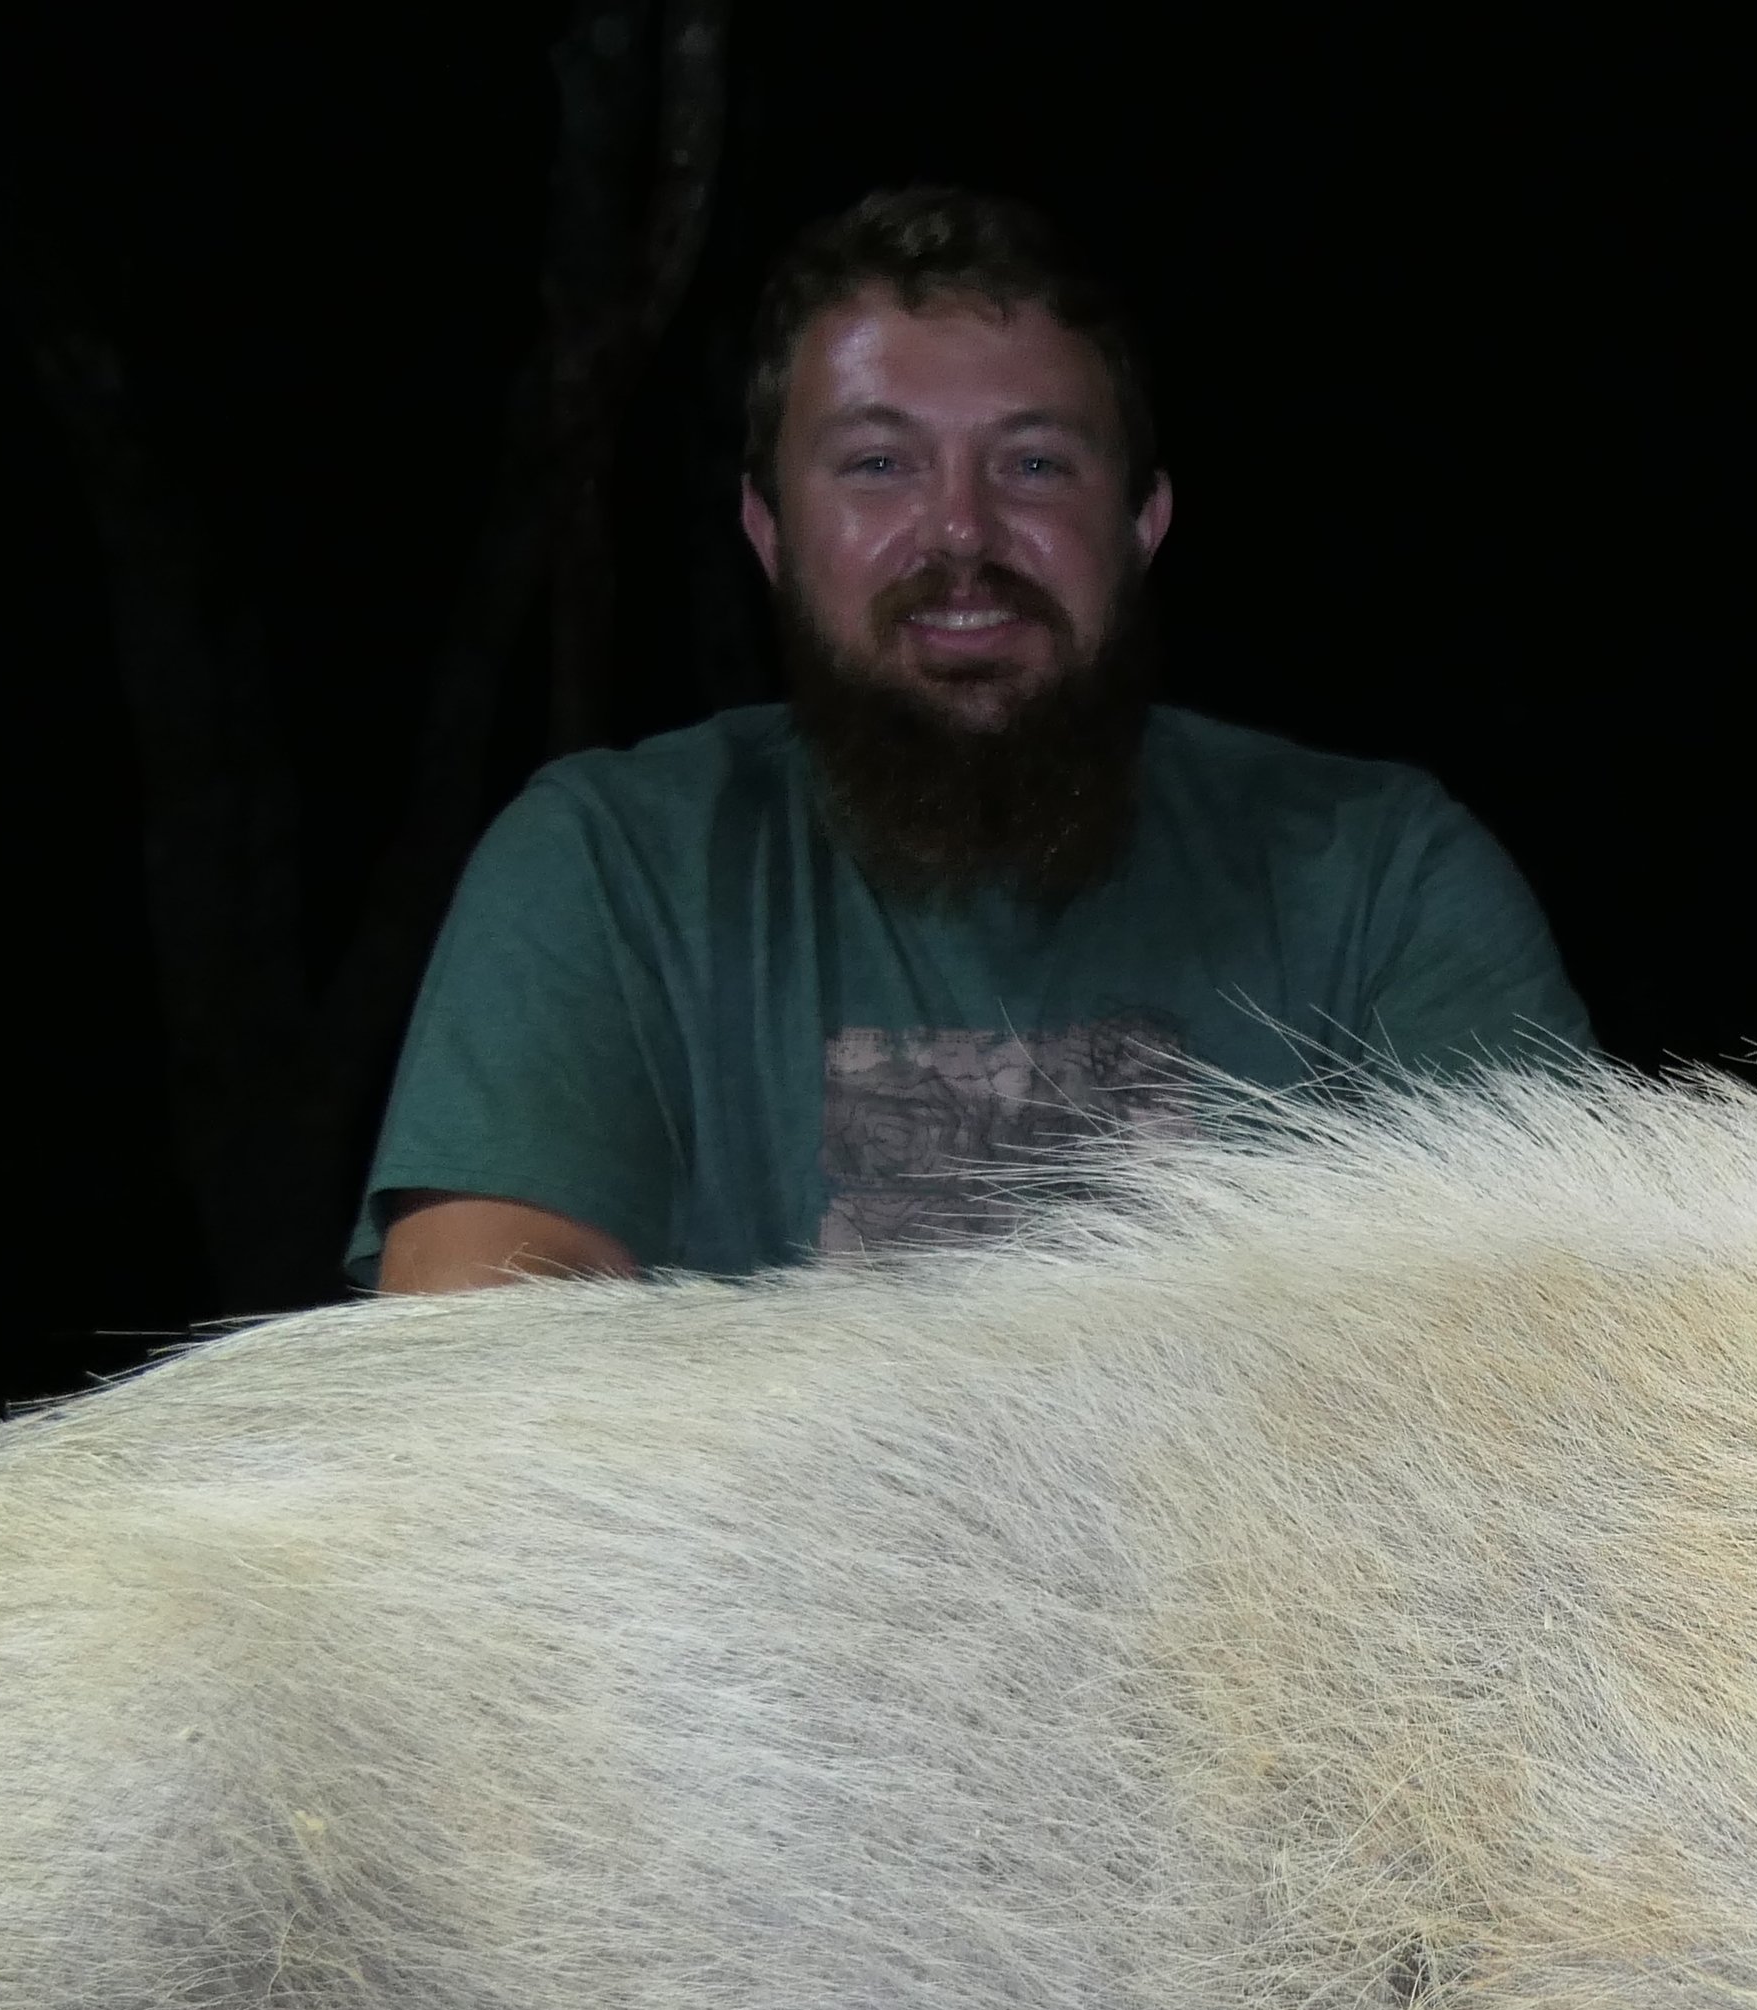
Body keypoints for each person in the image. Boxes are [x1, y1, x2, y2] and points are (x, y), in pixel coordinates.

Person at [356, 187, 1594, 1291]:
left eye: (1037, 464)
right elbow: (476, 1357)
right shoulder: (605, 865)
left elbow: (1541, 1327)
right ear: (771, 531)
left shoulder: (1382, 877)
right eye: (880, 462)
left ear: (1143, 525)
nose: (960, 534)